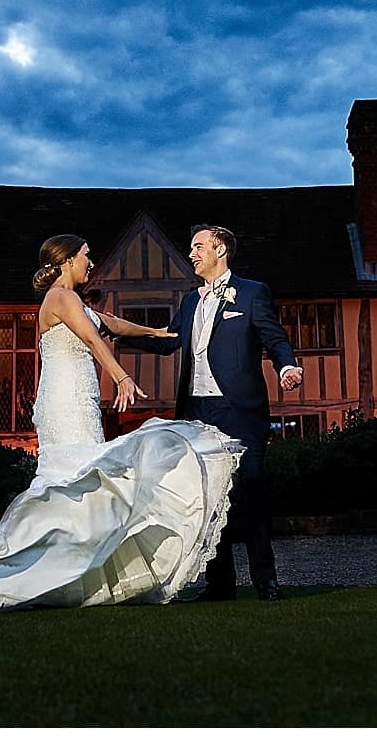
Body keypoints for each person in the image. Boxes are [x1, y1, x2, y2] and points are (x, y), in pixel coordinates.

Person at [0, 234, 244, 616]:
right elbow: (93, 338)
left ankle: (73, 575)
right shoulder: (60, 297)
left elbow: (111, 324)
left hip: (81, 400)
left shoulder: (74, 300)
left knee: (85, 487)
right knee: (72, 482)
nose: (91, 263)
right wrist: (121, 376)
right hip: (65, 402)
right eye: (86, 256)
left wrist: (156, 333)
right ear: (68, 260)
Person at [118, 225, 302, 602]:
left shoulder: (251, 293)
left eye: (198, 246)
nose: (191, 253)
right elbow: (170, 342)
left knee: (250, 492)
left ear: (220, 250)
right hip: (197, 412)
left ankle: (266, 581)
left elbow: (275, 338)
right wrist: (114, 334)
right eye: (190, 248)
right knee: (208, 498)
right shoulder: (189, 301)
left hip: (238, 409)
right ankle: (220, 585)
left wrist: (287, 366)